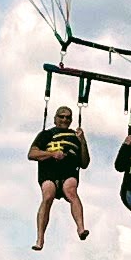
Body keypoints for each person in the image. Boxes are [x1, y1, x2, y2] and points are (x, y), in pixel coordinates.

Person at [28, 103, 91, 247]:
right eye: (61, 117)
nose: (65, 120)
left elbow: (85, 163)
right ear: (55, 118)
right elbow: (32, 154)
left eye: (68, 117)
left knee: (71, 191)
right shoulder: (46, 134)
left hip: (68, 171)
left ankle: (81, 228)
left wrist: (82, 140)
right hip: (49, 171)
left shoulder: (76, 137)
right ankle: (40, 239)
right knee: (48, 195)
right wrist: (52, 154)